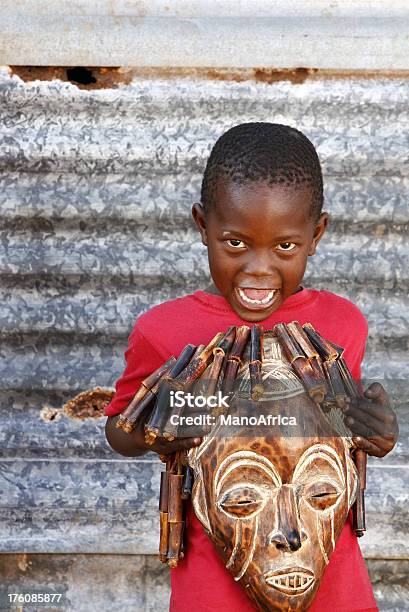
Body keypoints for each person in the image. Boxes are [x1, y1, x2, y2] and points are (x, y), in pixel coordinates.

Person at [104, 123, 398, 611]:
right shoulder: (164, 330)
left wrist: (377, 434)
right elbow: (118, 428)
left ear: (316, 234)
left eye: (285, 246)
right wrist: (161, 429)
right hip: (213, 591)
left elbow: (344, 435)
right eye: (235, 243)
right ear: (203, 226)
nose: (258, 269)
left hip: (334, 589)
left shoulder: (342, 325)